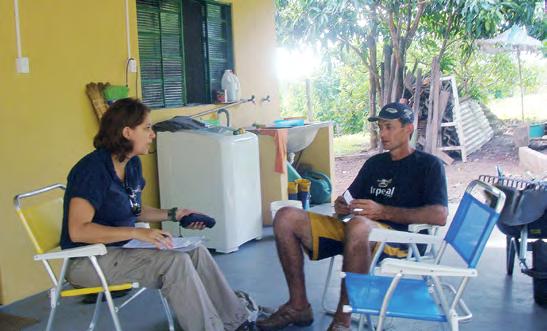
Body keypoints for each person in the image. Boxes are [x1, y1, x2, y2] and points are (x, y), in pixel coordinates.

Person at [60, 98, 250, 331]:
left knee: (195, 251)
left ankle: (237, 321)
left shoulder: (131, 164)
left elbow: (134, 208)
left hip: (122, 249)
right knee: (175, 263)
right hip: (87, 260)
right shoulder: (92, 170)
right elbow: (78, 229)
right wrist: (136, 232)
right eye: (147, 128)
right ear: (127, 132)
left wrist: (175, 214)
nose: (153, 134)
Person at [256, 102, 448, 331]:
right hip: (357, 231)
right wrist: (342, 205)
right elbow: (350, 197)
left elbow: (440, 215)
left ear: (408, 128)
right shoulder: (375, 164)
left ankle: (342, 321)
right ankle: (298, 306)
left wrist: (382, 211)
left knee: (358, 227)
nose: (382, 134)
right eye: (380, 127)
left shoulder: (428, 165)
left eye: (389, 127)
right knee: (285, 216)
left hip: (400, 240)